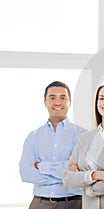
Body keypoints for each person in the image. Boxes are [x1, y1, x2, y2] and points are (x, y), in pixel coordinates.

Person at [19, 81, 87, 209]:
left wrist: (42, 166)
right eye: (52, 97)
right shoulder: (33, 136)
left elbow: (83, 171)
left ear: (69, 102)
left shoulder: (83, 135)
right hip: (39, 203)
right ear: (45, 102)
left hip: (74, 203)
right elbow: (26, 173)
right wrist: (67, 178)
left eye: (62, 97)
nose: (57, 102)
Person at [62, 82, 104, 209]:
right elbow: (67, 177)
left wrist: (84, 184)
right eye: (101, 98)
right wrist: (94, 175)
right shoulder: (85, 138)